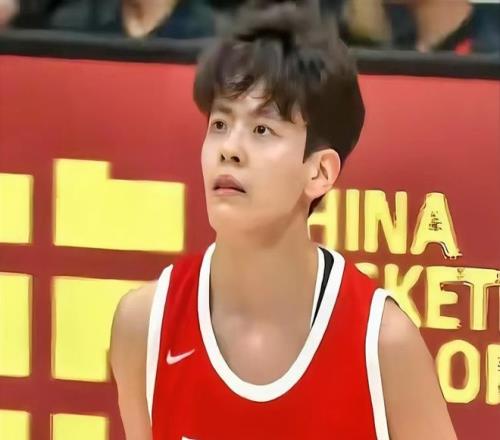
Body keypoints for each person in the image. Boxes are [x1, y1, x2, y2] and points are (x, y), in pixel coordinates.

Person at [110, 1, 457, 439]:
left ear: (320, 172)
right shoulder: (144, 325)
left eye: (262, 130)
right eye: (220, 124)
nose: (229, 149)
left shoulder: (384, 344)